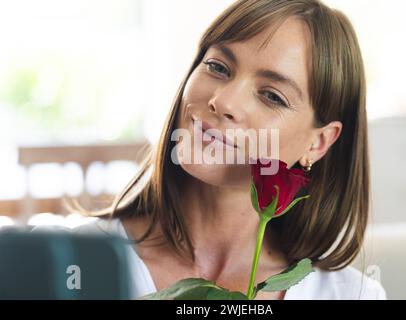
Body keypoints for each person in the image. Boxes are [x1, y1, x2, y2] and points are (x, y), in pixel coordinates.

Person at [40, 0, 387, 300]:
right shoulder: (69, 264)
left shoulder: (352, 294)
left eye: (271, 95)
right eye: (218, 67)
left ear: (319, 142)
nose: (222, 101)